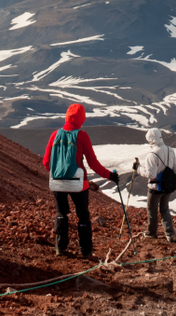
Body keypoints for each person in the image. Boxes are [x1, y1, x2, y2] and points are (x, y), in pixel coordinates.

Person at [42, 103, 118, 257]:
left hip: (57, 182)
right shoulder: (82, 135)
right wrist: (110, 175)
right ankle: (85, 251)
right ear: (82, 118)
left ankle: (60, 248)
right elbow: (93, 163)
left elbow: (46, 162)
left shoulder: (55, 134)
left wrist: (59, 172)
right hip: (78, 183)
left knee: (61, 213)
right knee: (83, 216)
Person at [138, 127, 176, 242]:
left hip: (155, 187)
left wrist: (138, 169)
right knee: (165, 209)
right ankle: (170, 234)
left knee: (152, 209)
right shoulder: (170, 150)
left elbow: (151, 175)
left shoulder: (152, 155)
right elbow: (175, 167)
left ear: (151, 139)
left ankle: (151, 233)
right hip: (168, 186)